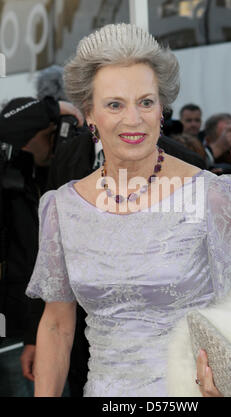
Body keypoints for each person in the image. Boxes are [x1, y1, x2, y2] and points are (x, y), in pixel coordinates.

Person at [25, 23, 231, 398]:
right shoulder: (62, 208)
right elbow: (58, 324)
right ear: (90, 115)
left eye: (146, 101)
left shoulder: (212, 194)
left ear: (161, 109)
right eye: (115, 104)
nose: (134, 118)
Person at [0, 96, 83, 396]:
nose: (55, 143)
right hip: (15, 331)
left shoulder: (54, 179)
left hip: (41, 329)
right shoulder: (8, 176)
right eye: (49, 134)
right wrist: (55, 108)